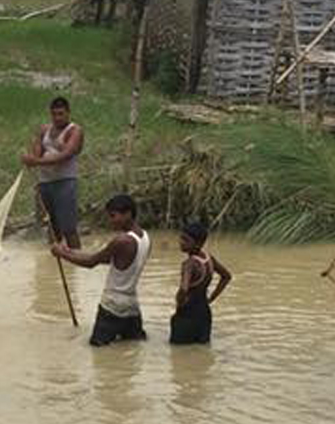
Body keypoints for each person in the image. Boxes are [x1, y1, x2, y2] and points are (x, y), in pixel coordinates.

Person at [52, 194, 151, 346]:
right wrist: (69, 252)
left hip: (112, 307)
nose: (110, 221)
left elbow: (91, 262)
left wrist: (61, 254)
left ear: (128, 213)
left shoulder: (121, 241)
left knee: (97, 352)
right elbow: (106, 259)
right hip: (132, 307)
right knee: (133, 348)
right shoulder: (145, 237)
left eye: (113, 216)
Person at [23, 96, 84, 247]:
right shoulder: (44, 130)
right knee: (51, 226)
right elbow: (36, 152)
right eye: (54, 114)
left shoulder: (74, 130)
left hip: (65, 182)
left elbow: (66, 155)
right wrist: (29, 158)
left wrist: (36, 161)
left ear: (68, 113)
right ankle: (55, 257)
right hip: (45, 183)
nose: (57, 118)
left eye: (61, 114)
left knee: (69, 228)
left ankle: (76, 259)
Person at [169, 221, 232, 346]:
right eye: (181, 237)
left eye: (186, 240)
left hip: (187, 314)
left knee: (178, 356)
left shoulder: (189, 264)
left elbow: (184, 288)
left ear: (198, 243)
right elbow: (226, 276)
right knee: (202, 350)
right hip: (204, 313)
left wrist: (179, 301)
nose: (181, 242)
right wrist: (211, 298)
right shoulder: (209, 259)